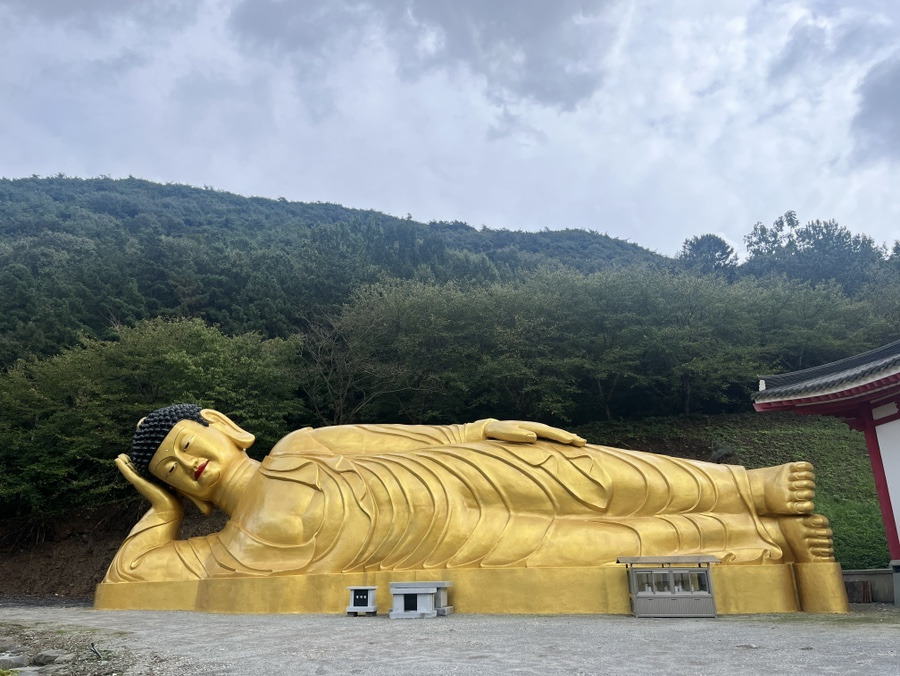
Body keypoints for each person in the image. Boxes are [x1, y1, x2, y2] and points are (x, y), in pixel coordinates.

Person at [103, 404, 835, 583]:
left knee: (592, 474)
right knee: (613, 546)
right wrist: (161, 513)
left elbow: (407, 437)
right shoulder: (229, 550)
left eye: (188, 442)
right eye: (170, 468)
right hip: (465, 546)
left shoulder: (303, 445)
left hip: (452, 474)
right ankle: (767, 541)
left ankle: (750, 486)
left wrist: (481, 426)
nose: (188, 462)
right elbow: (133, 574)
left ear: (227, 429)